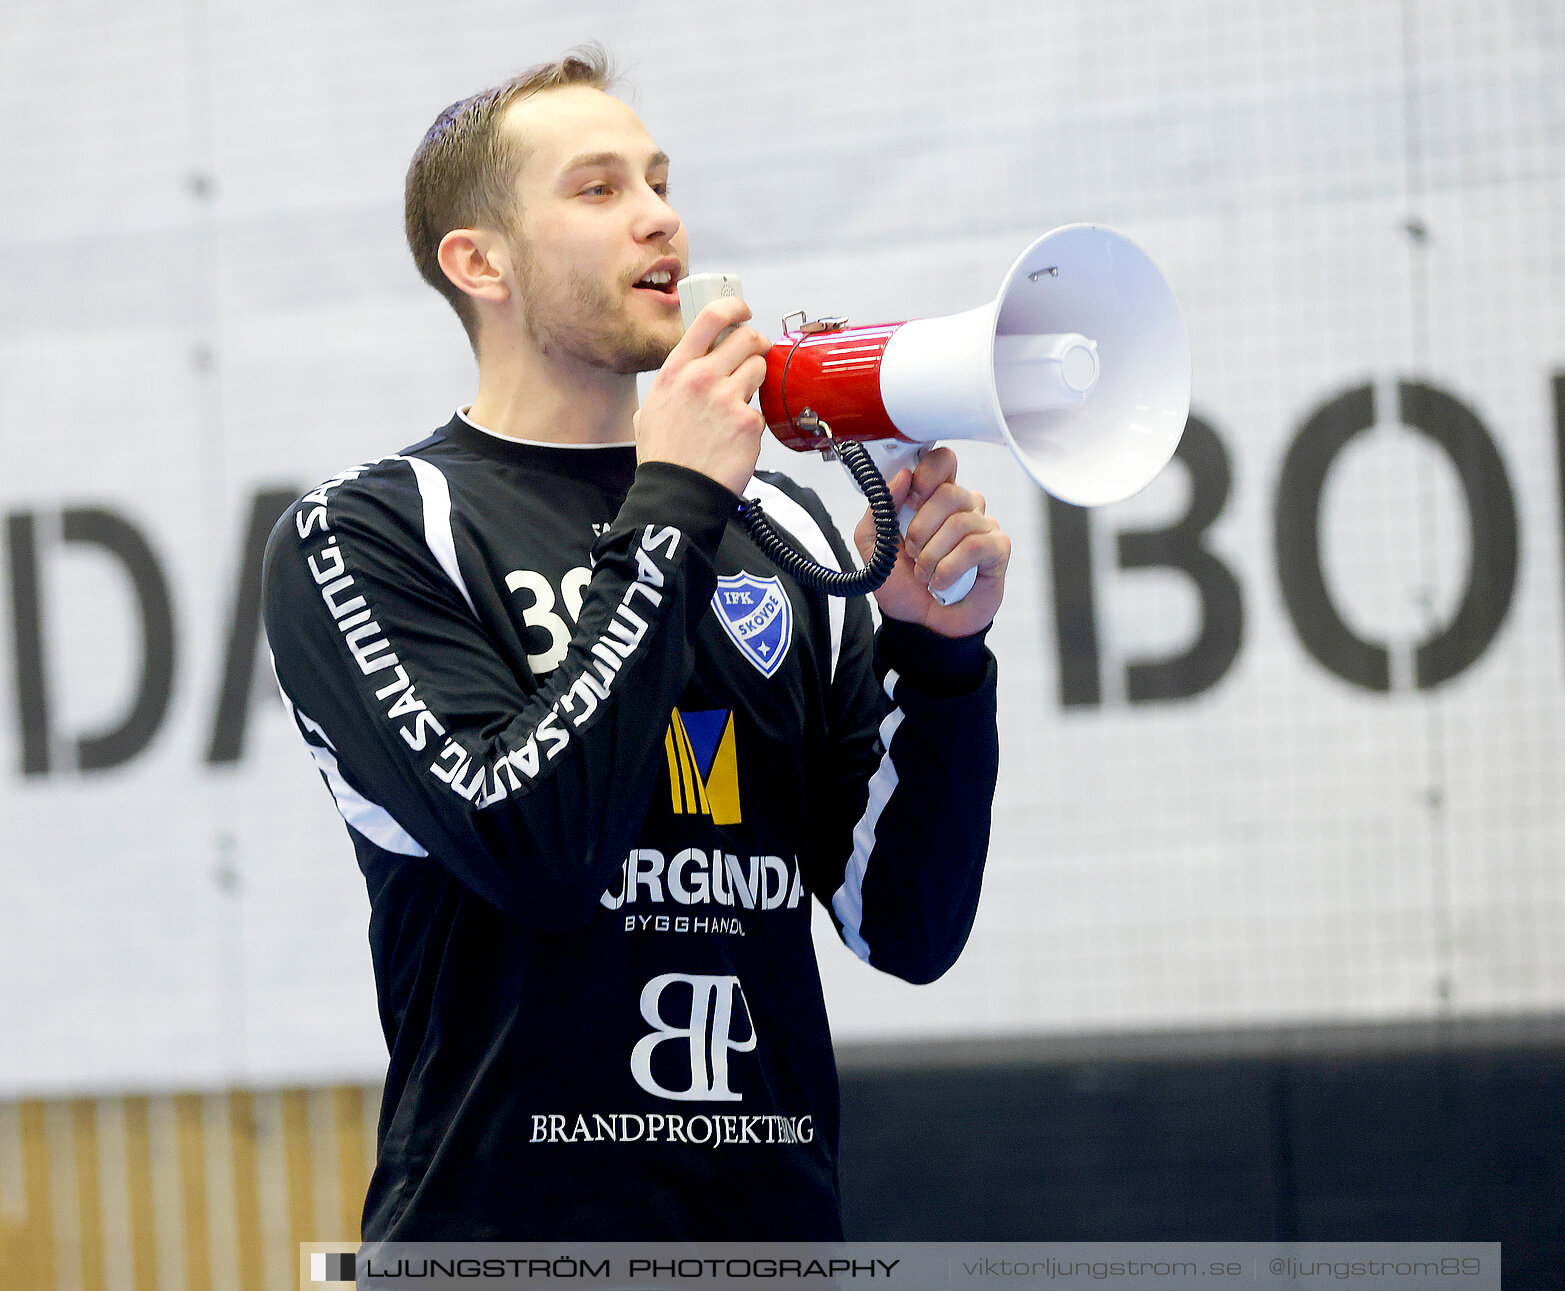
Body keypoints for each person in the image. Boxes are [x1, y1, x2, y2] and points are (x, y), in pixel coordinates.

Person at [261, 45, 1009, 1240]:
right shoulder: (370, 530)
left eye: (660, 180)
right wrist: (671, 509)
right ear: (479, 262)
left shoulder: (781, 526)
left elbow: (903, 927)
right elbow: (538, 845)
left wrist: (939, 656)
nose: (660, 215)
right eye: (599, 189)